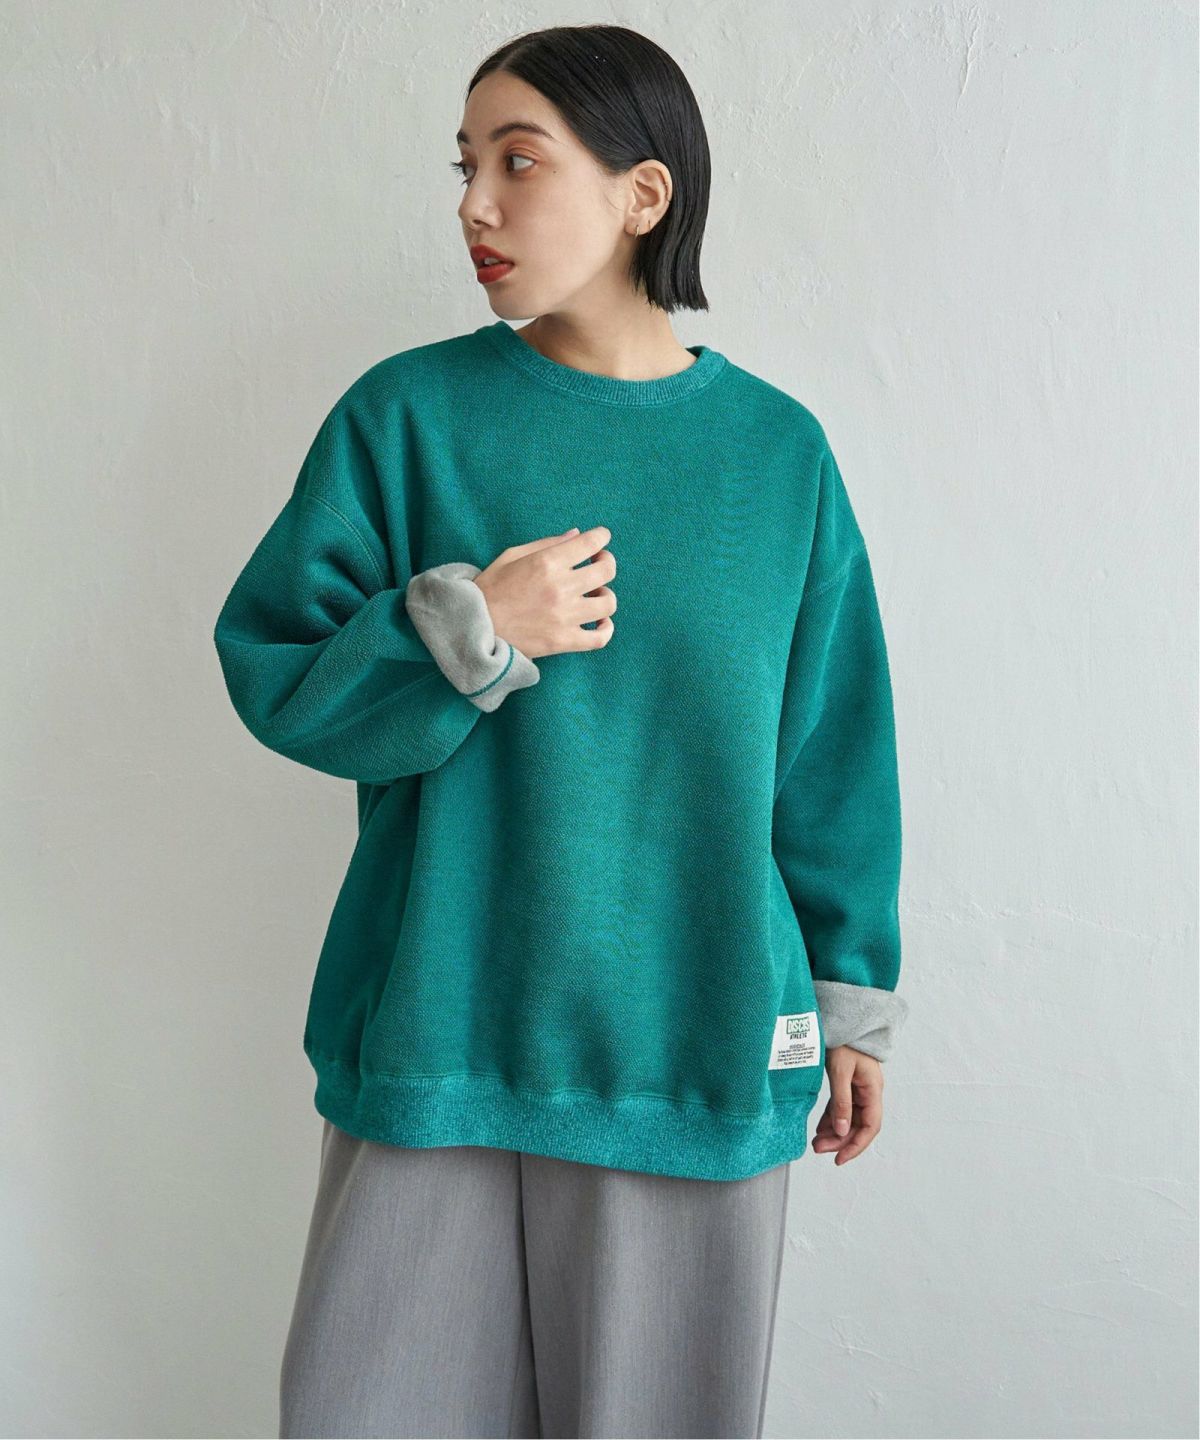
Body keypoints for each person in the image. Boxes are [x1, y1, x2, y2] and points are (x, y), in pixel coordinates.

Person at [212, 23, 909, 1440]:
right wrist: (470, 624)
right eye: (464, 166)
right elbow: (281, 677)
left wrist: (852, 1004)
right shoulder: (408, 418)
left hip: (694, 1038)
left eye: (517, 161)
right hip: (443, 1028)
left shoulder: (778, 455)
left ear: (643, 193)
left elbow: (833, 749)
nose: (475, 203)